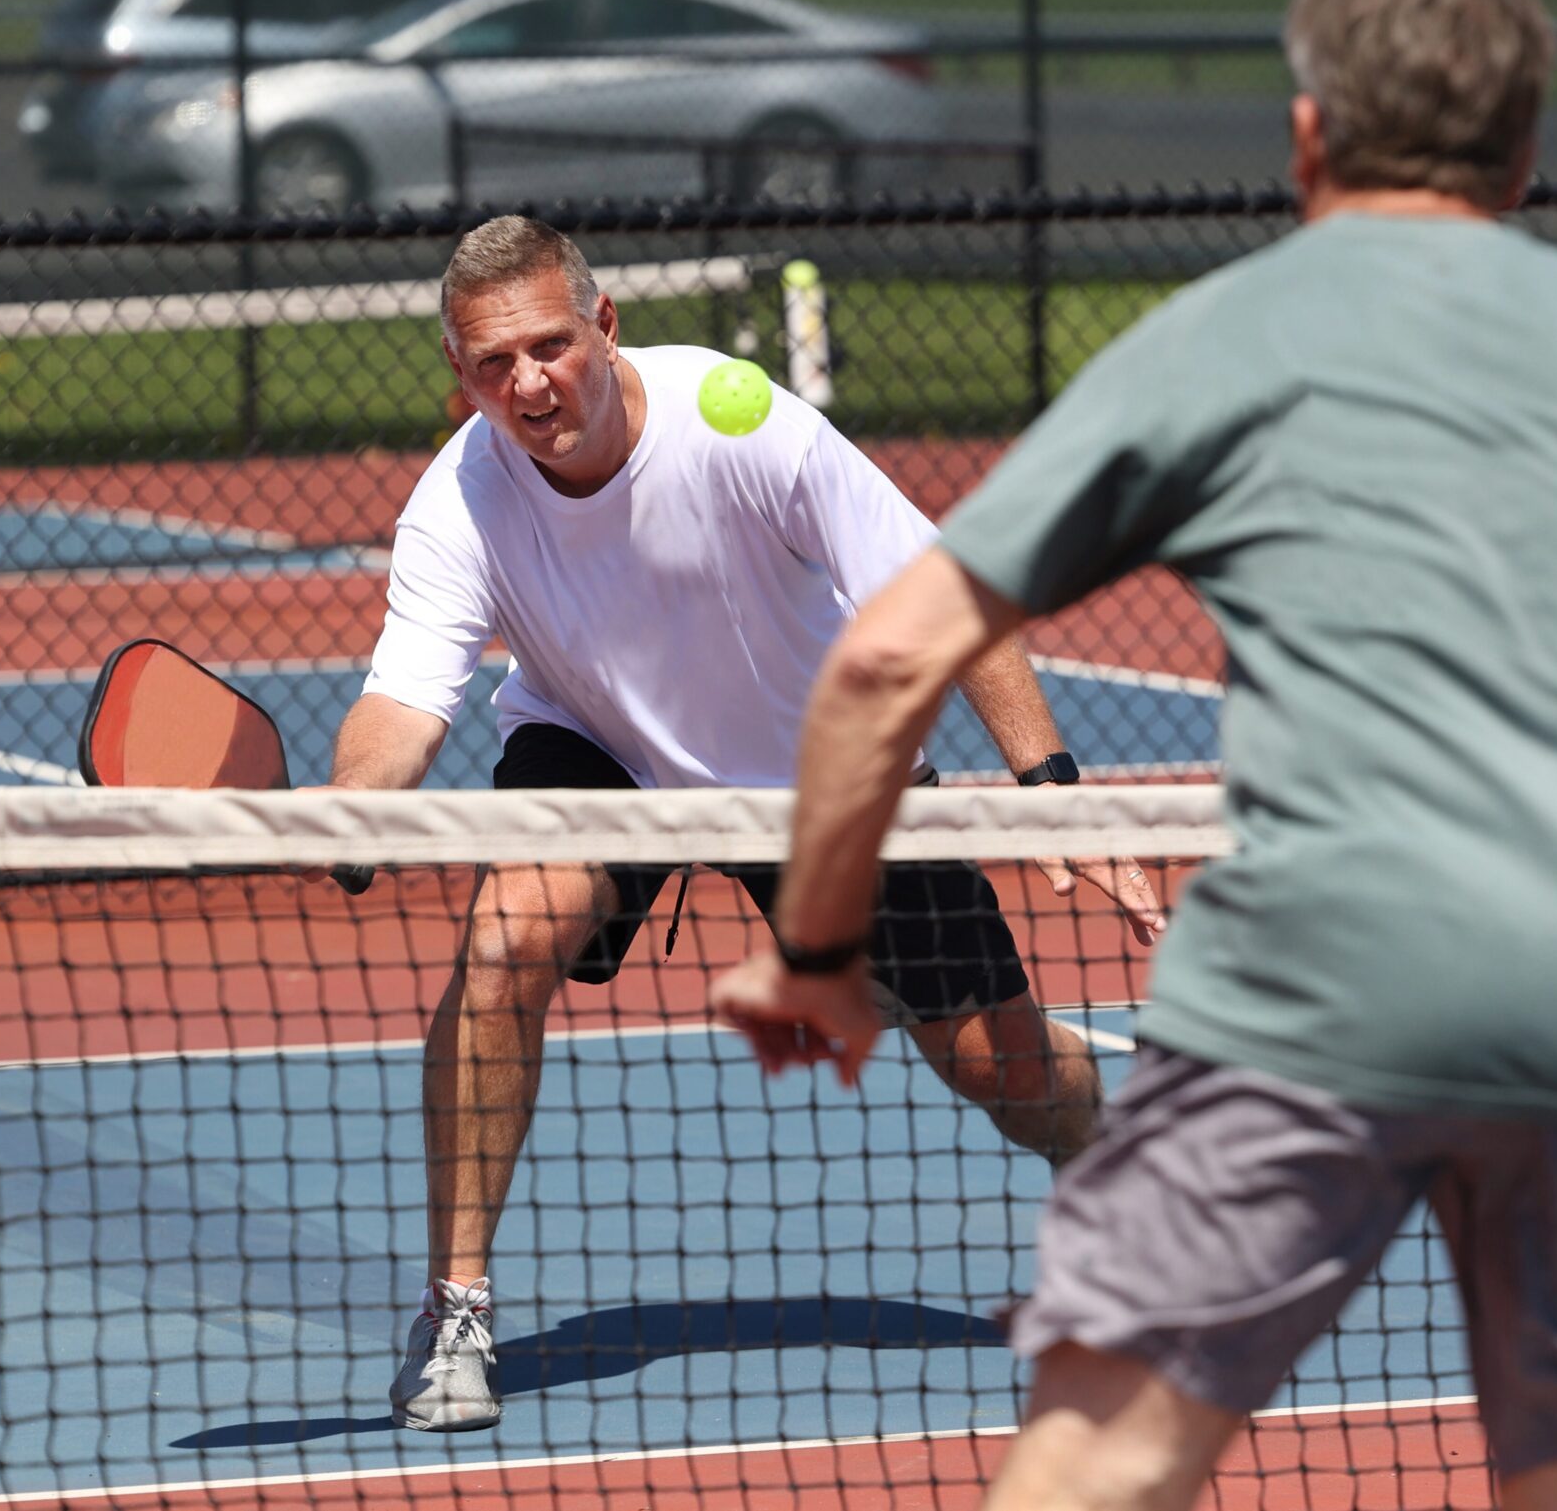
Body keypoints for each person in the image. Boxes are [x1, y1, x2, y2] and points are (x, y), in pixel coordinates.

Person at [711, 0, 1557, 1511]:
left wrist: (819, 957)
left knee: (1105, 1457)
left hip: (1312, 986)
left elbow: (887, 665)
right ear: (1524, 152)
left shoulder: (1223, 336)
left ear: (1308, 133)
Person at [332, 215, 1166, 1434]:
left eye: (549, 346)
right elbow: (401, 707)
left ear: (604, 327)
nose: (527, 383)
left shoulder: (738, 419)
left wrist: (1051, 789)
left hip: (818, 767)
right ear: (458, 376)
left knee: (1004, 1068)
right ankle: (455, 1308)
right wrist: (352, 813)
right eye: (491, 363)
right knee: (512, 935)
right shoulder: (459, 498)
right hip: (602, 749)